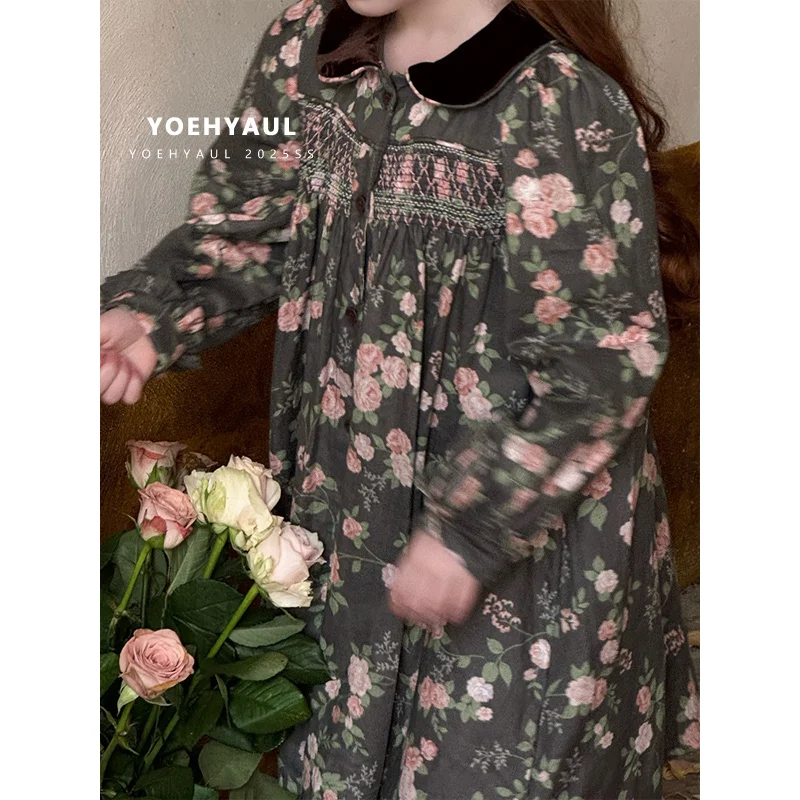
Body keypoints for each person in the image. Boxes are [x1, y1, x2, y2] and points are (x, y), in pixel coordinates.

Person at [100, 0, 700, 796]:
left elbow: (601, 359)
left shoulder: (557, 96)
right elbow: (251, 230)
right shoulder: (305, 45)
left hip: (523, 540)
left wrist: (472, 527)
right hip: (350, 519)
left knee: (488, 765)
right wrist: (153, 317)